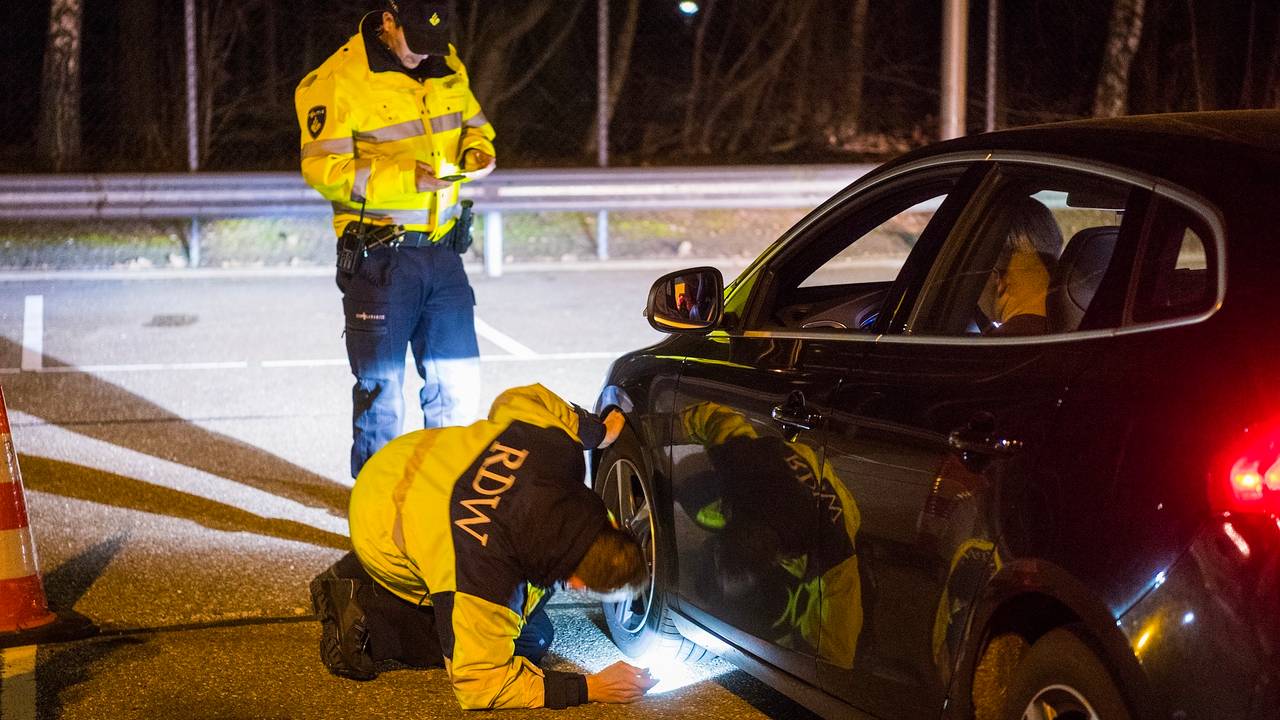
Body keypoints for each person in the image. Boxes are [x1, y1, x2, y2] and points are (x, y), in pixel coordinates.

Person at [309, 384, 657, 710]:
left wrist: (596, 431)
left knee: (530, 620)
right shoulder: (485, 577)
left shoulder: (557, 451)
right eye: (583, 585)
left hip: (403, 461)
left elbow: (522, 399)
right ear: (579, 582)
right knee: (529, 641)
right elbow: (479, 684)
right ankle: (368, 613)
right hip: (379, 528)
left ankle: (367, 572)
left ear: (609, 523)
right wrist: (591, 688)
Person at [295, 1, 497, 478]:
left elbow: (475, 124)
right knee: (382, 396)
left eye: (432, 43)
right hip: (380, 257)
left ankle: (443, 508)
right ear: (389, 21)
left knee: (458, 391)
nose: (422, 56)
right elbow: (323, 170)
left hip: (444, 252)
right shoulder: (337, 79)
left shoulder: (444, 60)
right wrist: (407, 178)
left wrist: (477, 148)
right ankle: (377, 525)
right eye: (414, 44)